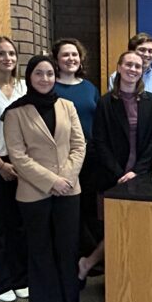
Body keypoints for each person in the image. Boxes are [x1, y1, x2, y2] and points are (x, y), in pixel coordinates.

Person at [3, 55, 86, 302]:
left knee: (67, 246)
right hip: (34, 193)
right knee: (42, 249)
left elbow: (79, 145)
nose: (45, 79)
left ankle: (70, 300)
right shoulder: (15, 112)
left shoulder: (67, 106)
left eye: (50, 73)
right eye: (39, 73)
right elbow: (17, 156)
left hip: (69, 189)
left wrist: (66, 178)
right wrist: (52, 181)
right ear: (29, 76)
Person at [81, 51, 152, 279]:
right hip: (112, 175)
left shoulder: (151, 101)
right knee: (116, 226)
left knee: (136, 225)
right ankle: (108, 274)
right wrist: (120, 173)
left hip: (142, 174)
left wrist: (137, 171)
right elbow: (100, 142)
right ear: (119, 67)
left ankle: (115, 271)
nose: (133, 69)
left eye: (137, 66)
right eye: (129, 65)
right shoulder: (106, 102)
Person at [0, 36, 29, 302]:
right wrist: (0, 164)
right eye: (1, 54)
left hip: (23, 161)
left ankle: (20, 277)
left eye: (11, 53)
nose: (7, 59)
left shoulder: (22, 86)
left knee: (20, 224)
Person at [52, 38, 101, 257]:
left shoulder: (89, 87)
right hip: (61, 158)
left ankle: (85, 253)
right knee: (65, 206)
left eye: (75, 55)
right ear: (56, 59)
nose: (71, 59)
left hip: (89, 157)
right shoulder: (50, 87)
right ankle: (66, 252)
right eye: (65, 55)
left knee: (86, 205)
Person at [107, 32, 152, 111]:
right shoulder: (116, 76)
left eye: (150, 51)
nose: (146, 54)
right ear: (131, 51)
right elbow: (113, 107)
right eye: (142, 50)